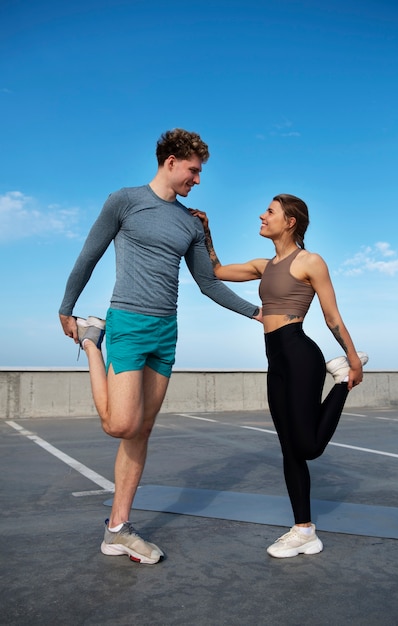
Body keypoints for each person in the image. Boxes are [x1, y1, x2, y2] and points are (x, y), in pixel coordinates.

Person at [59, 128, 262, 564]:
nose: (198, 179)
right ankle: (93, 344)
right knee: (120, 425)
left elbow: (208, 283)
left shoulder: (189, 222)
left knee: (143, 430)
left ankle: (117, 527)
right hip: (128, 322)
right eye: (194, 170)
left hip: (165, 330)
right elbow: (88, 255)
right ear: (171, 161)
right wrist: (67, 307)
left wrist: (255, 312)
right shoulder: (125, 201)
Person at [191, 193, 368, 559]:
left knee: (308, 447)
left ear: (290, 221)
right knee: (289, 449)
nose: (262, 215)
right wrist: (205, 233)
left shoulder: (310, 262)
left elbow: (332, 317)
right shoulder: (263, 265)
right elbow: (217, 271)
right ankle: (304, 530)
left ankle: (339, 383)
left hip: (301, 353)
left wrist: (353, 360)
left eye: (269, 211)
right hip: (276, 360)